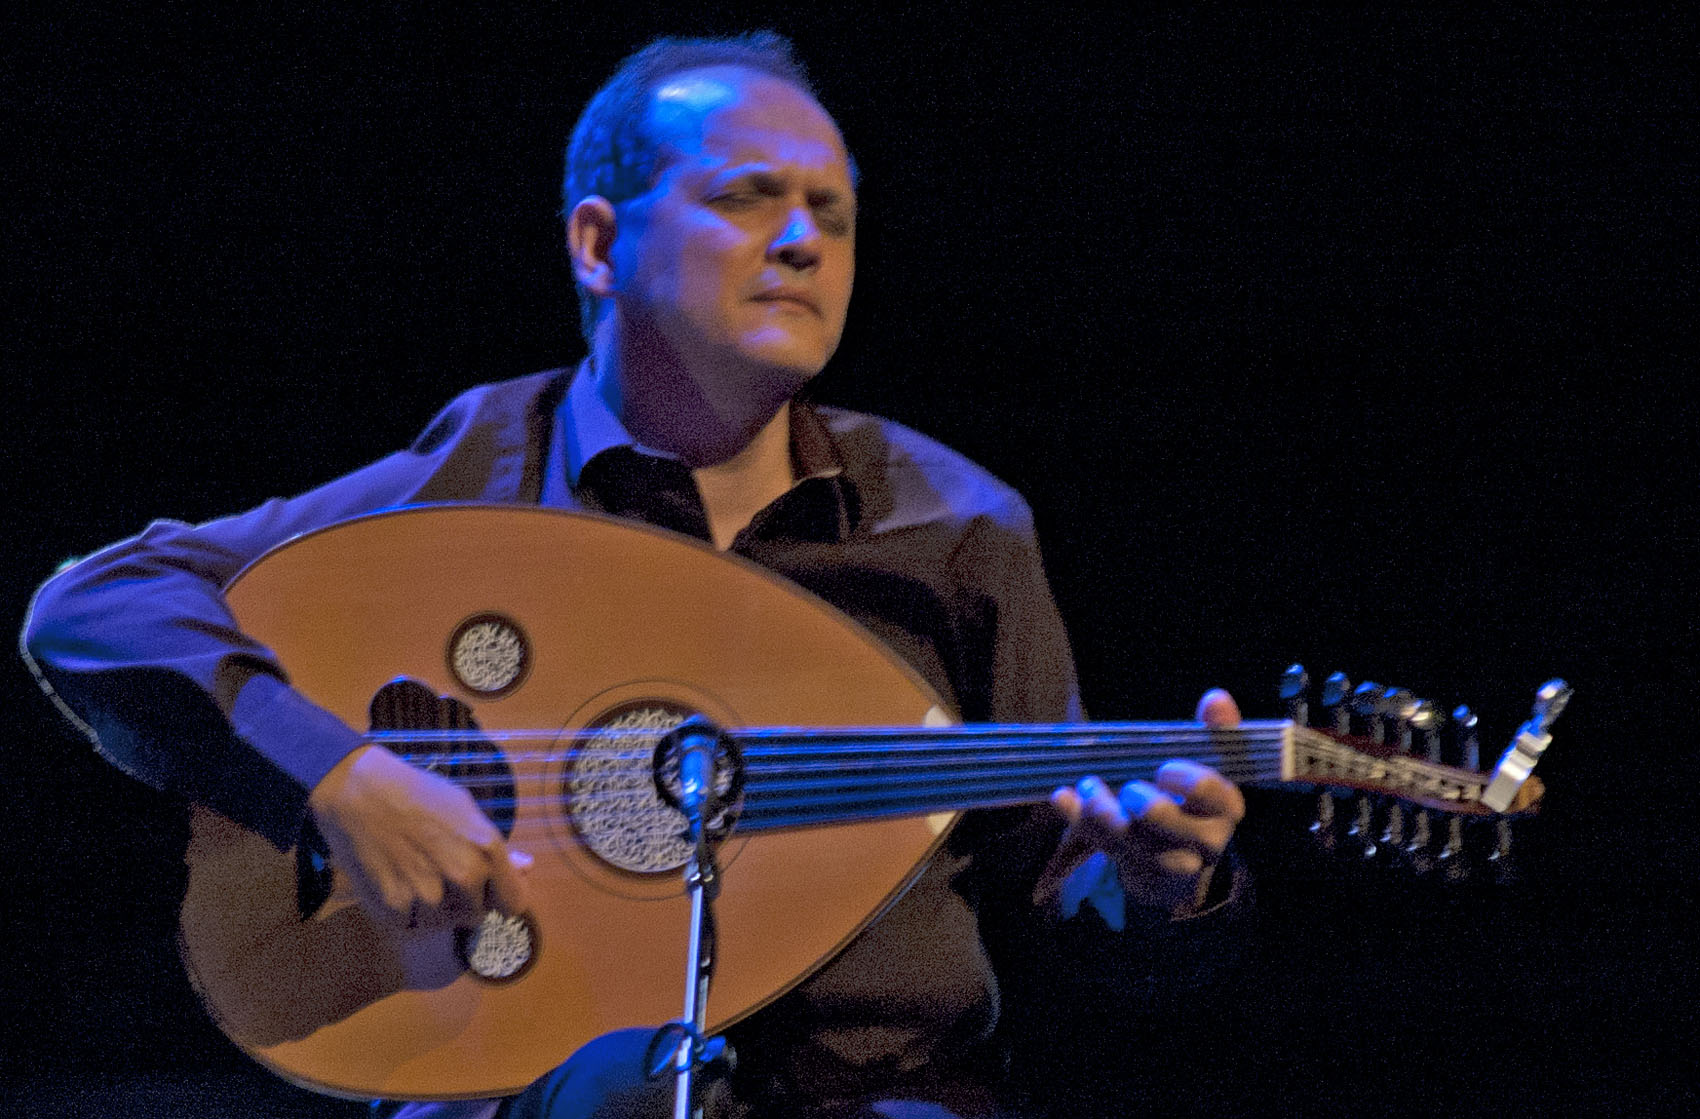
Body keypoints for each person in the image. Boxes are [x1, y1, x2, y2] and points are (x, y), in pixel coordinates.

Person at [22, 32, 1247, 1119]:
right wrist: (339, 777)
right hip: (514, 1080)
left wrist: (1148, 887)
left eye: (832, 211)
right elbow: (95, 607)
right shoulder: (479, 474)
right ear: (598, 243)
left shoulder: (956, 526)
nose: (802, 240)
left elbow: (1068, 903)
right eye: (748, 198)